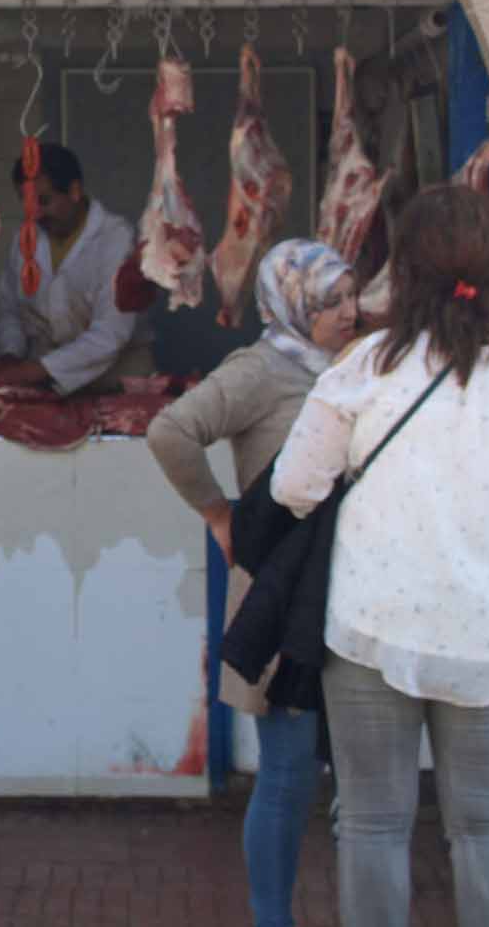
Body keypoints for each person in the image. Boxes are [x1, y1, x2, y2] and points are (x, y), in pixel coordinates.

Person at [271, 184, 489, 927]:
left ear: (402, 272)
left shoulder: (361, 370)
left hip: (371, 628)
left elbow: (293, 487)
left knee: (375, 825)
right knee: (486, 829)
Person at [146, 240, 358, 927]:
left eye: (352, 294)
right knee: (289, 773)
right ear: (292, 305)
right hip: (283, 599)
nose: (348, 312)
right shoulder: (261, 371)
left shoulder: (358, 369)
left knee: (351, 779)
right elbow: (171, 431)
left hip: (352, 593)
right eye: (330, 302)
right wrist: (217, 512)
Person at [0, 143, 145, 394]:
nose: (34, 214)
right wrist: (11, 354)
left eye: (44, 201)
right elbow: (11, 308)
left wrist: (34, 370)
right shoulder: (25, 239)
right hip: (45, 383)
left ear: (74, 191)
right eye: (26, 203)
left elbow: (111, 332)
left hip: (115, 379)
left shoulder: (115, 238)